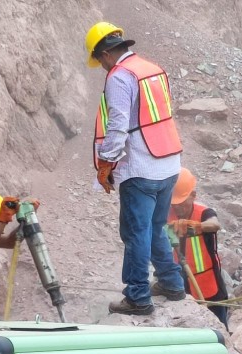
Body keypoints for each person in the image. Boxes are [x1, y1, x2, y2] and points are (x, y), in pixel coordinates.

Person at [86, 21, 185, 316]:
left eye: (100, 61)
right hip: (168, 163)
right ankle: (171, 282)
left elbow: (118, 126)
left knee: (135, 232)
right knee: (155, 227)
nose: (102, 67)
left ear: (105, 54)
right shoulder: (151, 68)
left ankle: (138, 296)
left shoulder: (119, 77)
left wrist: (106, 164)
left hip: (140, 168)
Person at [161, 167, 229, 326]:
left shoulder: (204, 213)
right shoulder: (167, 214)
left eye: (181, 203)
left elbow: (214, 224)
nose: (177, 208)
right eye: (174, 203)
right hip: (182, 284)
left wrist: (197, 227)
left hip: (209, 285)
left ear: (193, 195)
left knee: (219, 329)